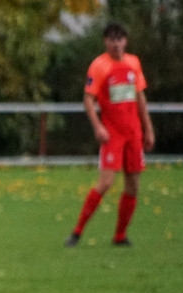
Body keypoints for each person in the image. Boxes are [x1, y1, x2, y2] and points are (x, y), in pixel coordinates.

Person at [65, 21, 154, 248]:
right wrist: (98, 127)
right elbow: (88, 100)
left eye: (120, 39)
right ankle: (77, 232)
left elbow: (140, 97)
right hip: (112, 134)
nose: (116, 44)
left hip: (133, 133)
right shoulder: (99, 66)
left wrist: (148, 128)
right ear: (106, 41)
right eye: (112, 39)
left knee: (133, 186)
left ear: (125, 41)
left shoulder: (133, 63)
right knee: (105, 182)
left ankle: (120, 236)